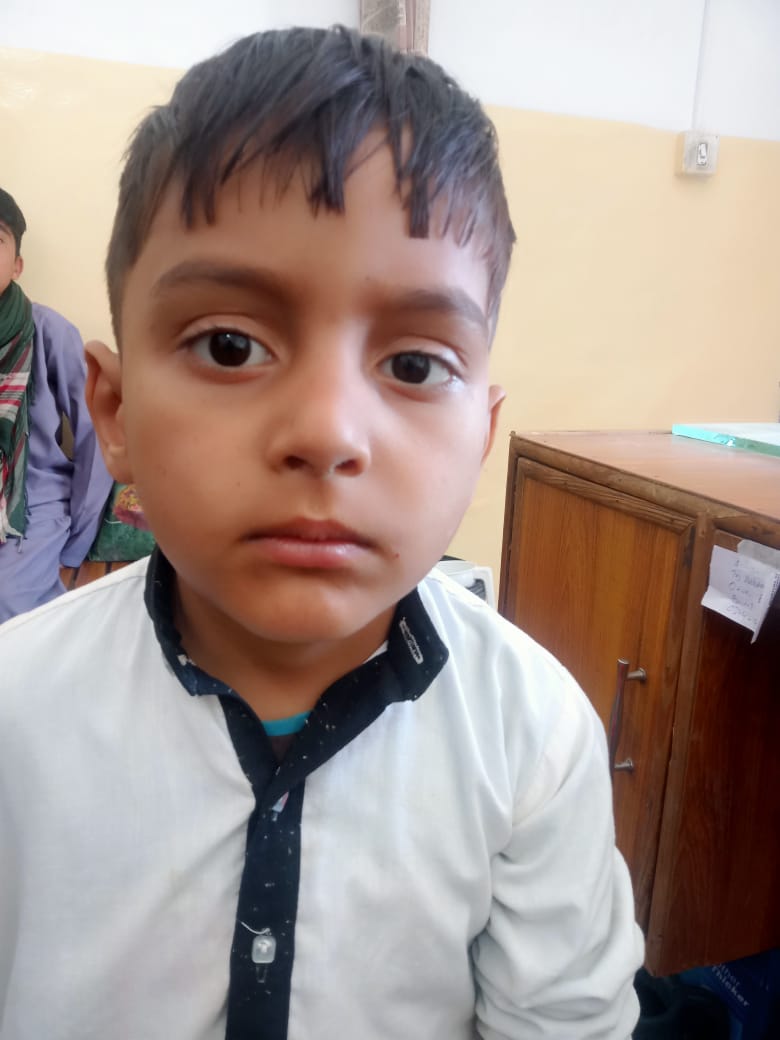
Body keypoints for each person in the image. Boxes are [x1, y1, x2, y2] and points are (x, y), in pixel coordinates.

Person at [0, 26, 644, 1039]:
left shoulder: (532, 735)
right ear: (113, 412)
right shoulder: (17, 710)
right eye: (230, 345)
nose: (328, 433)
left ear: (481, 437)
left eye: (416, 365)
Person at [0, 188, 113, 622]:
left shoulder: (48, 331)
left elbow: (94, 434)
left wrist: (77, 544)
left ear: (17, 264)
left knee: (11, 606)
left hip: (32, 499)